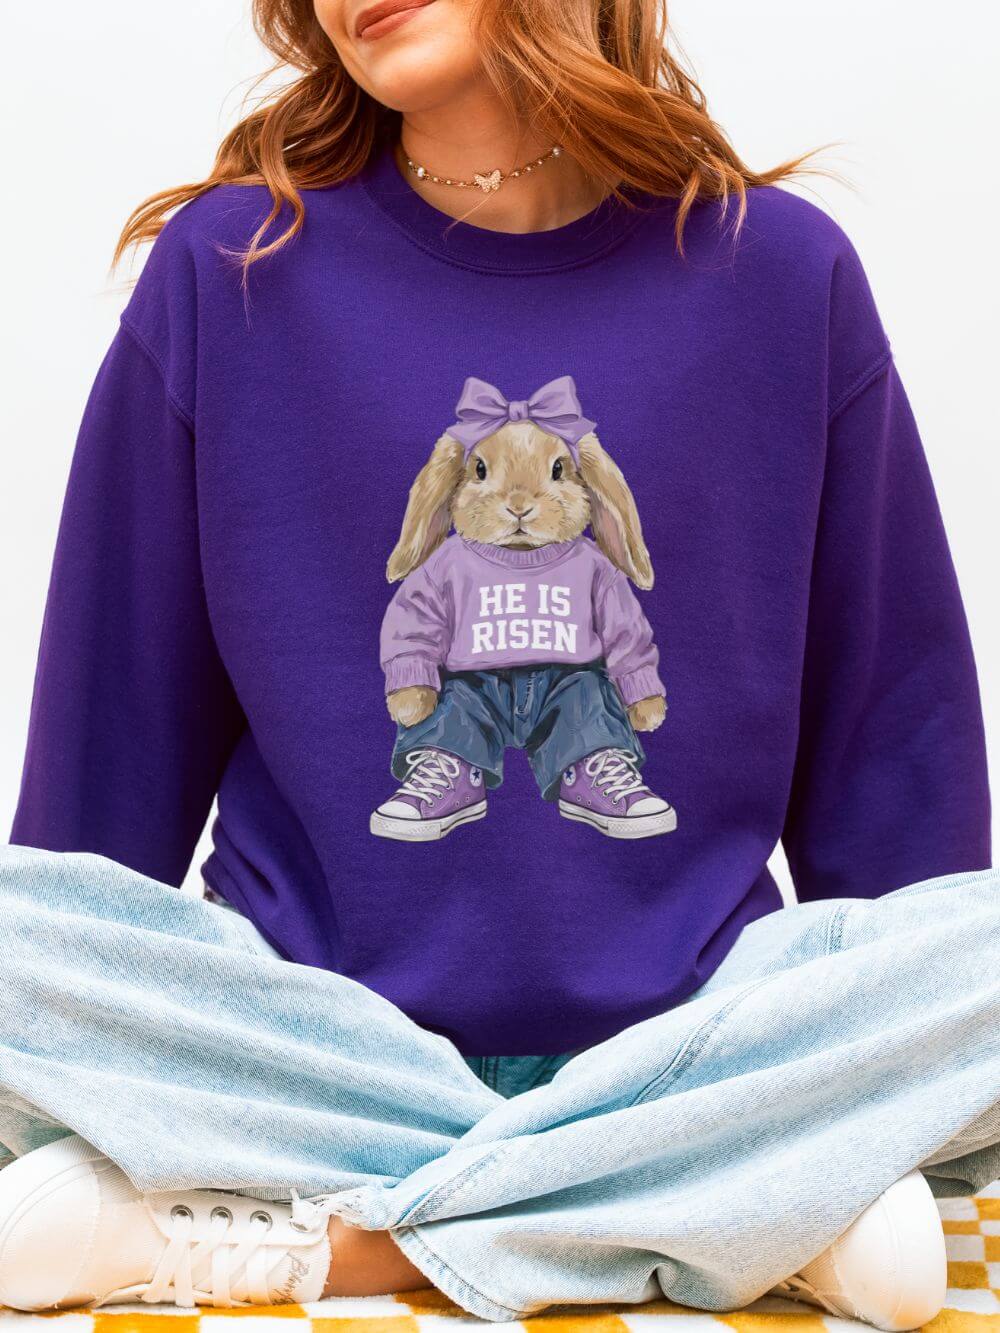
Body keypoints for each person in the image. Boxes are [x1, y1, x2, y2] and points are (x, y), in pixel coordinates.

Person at [2, 0, 996, 1324]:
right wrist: (75, 1020)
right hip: (305, 1043)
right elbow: (106, 749)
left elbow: (895, 753)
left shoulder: (781, 277)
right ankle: (729, 1207)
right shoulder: (229, 269)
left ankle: (347, 1239)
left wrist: (901, 1039)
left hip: (692, 1038)